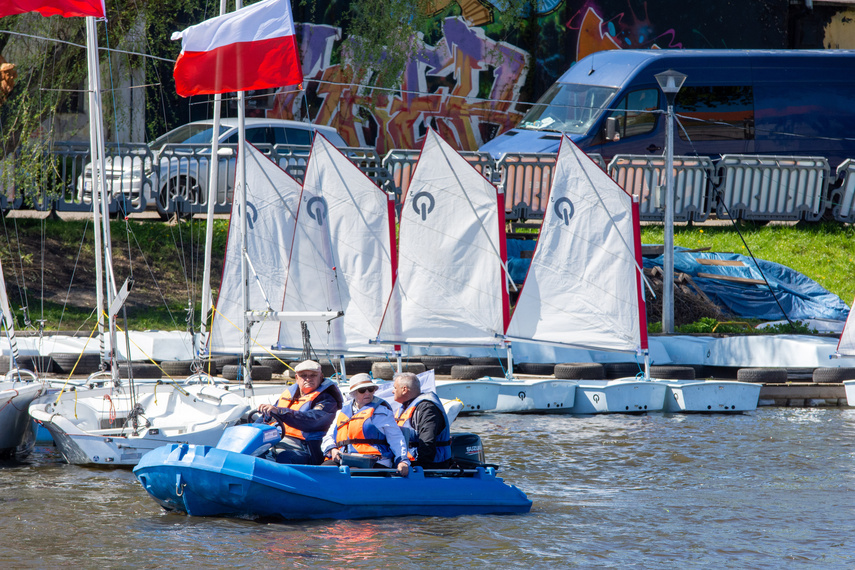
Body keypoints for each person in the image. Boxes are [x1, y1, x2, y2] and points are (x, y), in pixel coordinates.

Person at [257, 359, 343, 465]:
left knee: (284, 457)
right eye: (304, 375)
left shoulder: (327, 400)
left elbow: (311, 420)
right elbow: (269, 416)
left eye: (313, 375)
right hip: (276, 439)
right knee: (254, 450)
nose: (308, 379)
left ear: (321, 377)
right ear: (297, 378)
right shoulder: (289, 395)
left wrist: (280, 412)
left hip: (305, 447)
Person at [322, 373, 410, 476]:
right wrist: (332, 450)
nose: (367, 393)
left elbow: (396, 438)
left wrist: (403, 460)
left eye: (370, 389)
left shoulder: (383, 413)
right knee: (324, 470)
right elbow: (328, 437)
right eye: (362, 390)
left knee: (354, 471)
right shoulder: (341, 413)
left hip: (375, 462)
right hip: (345, 460)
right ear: (353, 393)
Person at [392, 372, 452, 469]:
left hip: (429, 466)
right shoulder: (405, 408)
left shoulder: (427, 408)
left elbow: (427, 441)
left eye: (395, 388)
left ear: (404, 389)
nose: (392, 391)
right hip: (406, 463)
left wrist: (421, 468)